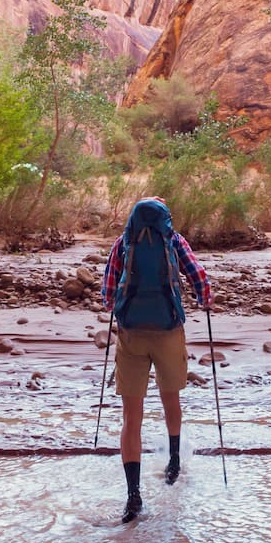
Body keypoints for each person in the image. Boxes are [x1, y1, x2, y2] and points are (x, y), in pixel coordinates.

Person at [101, 196, 212, 524]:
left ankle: (133, 495)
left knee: (130, 417)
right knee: (170, 398)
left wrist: (117, 308)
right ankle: (174, 462)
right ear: (165, 217)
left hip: (131, 333)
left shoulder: (124, 242)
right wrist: (204, 301)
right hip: (167, 330)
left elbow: (108, 291)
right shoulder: (174, 241)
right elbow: (199, 278)